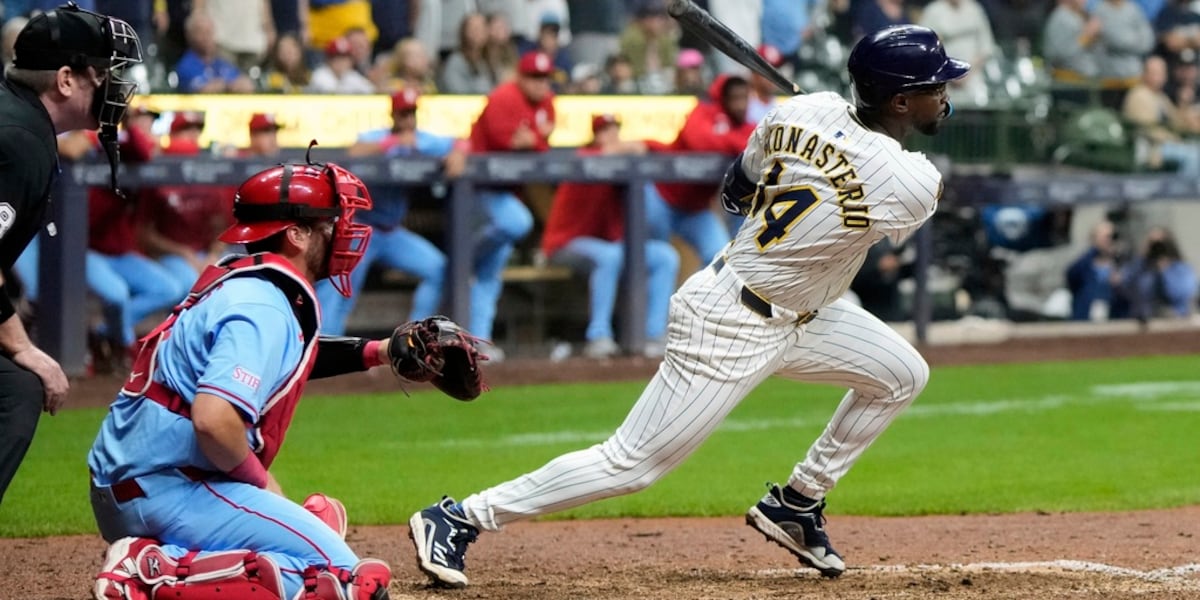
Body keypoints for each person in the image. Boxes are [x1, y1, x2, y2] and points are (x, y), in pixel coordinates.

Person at [409, 24, 967, 587]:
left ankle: (797, 503)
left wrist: (813, 133)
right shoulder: (911, 179)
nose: (945, 95)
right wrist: (833, 141)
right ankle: (459, 517)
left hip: (806, 310)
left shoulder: (801, 112)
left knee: (900, 373)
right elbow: (872, 179)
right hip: (731, 321)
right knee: (631, 464)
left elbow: (737, 187)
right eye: (935, 86)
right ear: (899, 100)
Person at [89, 155, 464, 600]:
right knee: (349, 580)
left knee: (322, 525)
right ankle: (154, 570)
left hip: (142, 482)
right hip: (167, 489)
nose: (343, 231)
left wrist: (377, 352)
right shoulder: (263, 305)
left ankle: (172, 556)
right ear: (297, 234)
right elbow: (213, 419)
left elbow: (282, 356)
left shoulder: (250, 284)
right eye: (332, 222)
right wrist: (263, 483)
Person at [0, 3, 140, 504]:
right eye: (101, 74)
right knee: (15, 390)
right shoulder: (19, 138)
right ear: (65, 79)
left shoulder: (18, 118)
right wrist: (22, 346)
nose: (113, 86)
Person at [316, 88, 466, 335]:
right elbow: (353, 154)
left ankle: (416, 337)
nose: (407, 120)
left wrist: (458, 153)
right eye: (403, 114)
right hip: (360, 229)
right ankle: (326, 348)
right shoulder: (377, 137)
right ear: (393, 115)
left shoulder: (422, 140)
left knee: (439, 268)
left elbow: (460, 141)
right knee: (339, 287)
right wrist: (393, 143)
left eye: (411, 114)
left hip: (392, 232)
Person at [541, 114, 679, 359]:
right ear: (595, 136)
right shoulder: (584, 158)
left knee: (665, 257)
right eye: (605, 131)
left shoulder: (621, 161)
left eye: (615, 130)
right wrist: (618, 150)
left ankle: (654, 335)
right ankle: (599, 336)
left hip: (608, 245)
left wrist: (640, 145)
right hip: (566, 243)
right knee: (610, 257)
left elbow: (664, 150)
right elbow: (592, 158)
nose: (612, 135)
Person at [463, 50, 552, 359]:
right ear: (520, 76)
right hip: (475, 192)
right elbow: (506, 141)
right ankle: (466, 258)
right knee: (519, 222)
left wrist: (534, 140)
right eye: (533, 78)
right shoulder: (503, 97)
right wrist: (532, 139)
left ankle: (478, 341)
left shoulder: (546, 102)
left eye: (544, 78)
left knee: (490, 276)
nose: (540, 84)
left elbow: (539, 145)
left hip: (503, 193)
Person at [647, 73, 754, 265]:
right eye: (735, 98)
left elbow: (752, 145)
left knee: (720, 259)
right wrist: (730, 141)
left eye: (744, 98)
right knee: (658, 258)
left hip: (695, 209)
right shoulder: (703, 111)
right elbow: (698, 141)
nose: (740, 105)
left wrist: (724, 137)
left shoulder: (747, 126)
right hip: (662, 197)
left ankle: (698, 296)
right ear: (724, 98)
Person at [1116, 225, 1198, 320]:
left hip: (1176, 321)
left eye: (1159, 244)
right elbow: (1127, 289)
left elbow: (1182, 294)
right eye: (1151, 243)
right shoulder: (1140, 268)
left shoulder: (1182, 269)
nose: (1156, 249)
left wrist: (1165, 271)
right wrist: (1141, 258)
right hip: (1145, 322)